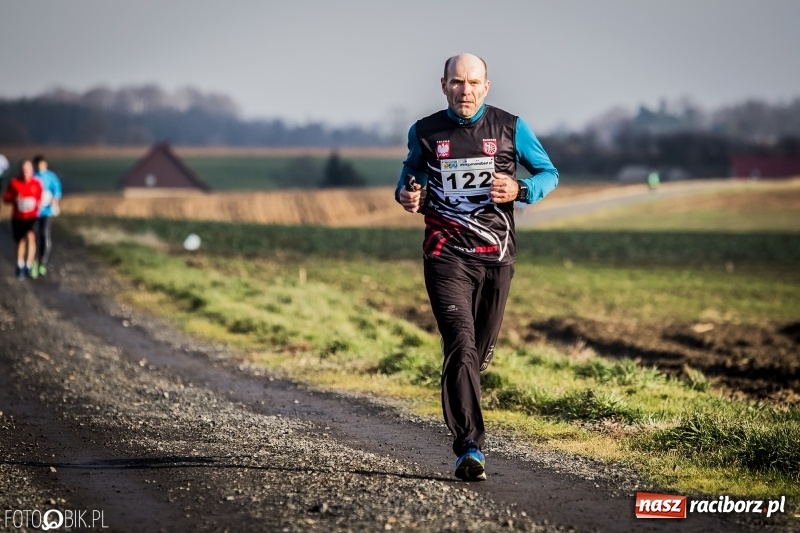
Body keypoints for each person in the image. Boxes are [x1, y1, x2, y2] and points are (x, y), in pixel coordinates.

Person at [395, 53, 558, 481]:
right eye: (456, 82)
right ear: (443, 85)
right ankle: (469, 446)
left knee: (477, 351)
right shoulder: (425, 131)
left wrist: (520, 188)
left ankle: (466, 375)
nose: (464, 91)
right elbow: (410, 173)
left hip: (496, 256)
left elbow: (549, 173)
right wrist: (407, 194)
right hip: (445, 254)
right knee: (460, 345)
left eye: (472, 83)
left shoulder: (510, 128)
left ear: (486, 86)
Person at [3, 159, 43, 279]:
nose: (26, 171)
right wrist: (14, 199)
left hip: (32, 216)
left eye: (28, 169)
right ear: (20, 170)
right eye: (24, 169)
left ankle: (28, 265)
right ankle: (20, 265)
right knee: (20, 241)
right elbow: (6, 198)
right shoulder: (14, 182)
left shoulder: (36, 183)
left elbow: (40, 198)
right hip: (18, 217)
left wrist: (39, 203)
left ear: (32, 170)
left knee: (31, 237)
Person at [32, 154, 62, 278]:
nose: (40, 166)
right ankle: (32, 262)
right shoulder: (32, 176)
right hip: (33, 212)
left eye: (42, 164)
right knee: (33, 237)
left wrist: (55, 199)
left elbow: (57, 189)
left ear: (45, 164)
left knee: (44, 235)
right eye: (38, 164)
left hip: (47, 211)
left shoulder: (51, 176)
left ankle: (42, 262)